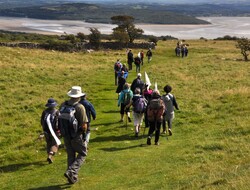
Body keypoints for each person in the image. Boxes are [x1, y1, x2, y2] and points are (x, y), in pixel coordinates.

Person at [59, 86, 88, 184]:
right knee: (83, 153)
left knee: (71, 155)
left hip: (65, 135)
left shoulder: (63, 105)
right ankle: (72, 171)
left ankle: (71, 178)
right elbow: (84, 125)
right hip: (76, 135)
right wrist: (84, 135)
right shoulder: (80, 107)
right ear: (79, 96)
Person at [40, 98, 60, 164]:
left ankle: (49, 155)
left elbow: (41, 121)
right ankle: (50, 155)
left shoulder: (44, 112)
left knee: (48, 143)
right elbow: (60, 121)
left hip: (46, 131)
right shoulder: (57, 112)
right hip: (55, 131)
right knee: (55, 144)